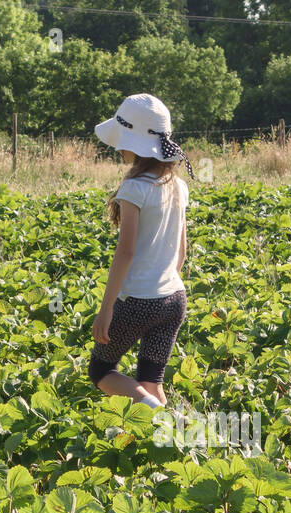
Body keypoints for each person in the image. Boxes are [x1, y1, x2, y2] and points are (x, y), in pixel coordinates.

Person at [89, 93, 196, 409]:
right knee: (151, 382)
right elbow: (182, 251)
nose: (117, 148)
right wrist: (162, 286)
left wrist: (106, 310)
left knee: (101, 371)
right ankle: (175, 428)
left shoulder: (134, 188)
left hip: (138, 301)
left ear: (134, 143)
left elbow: (126, 253)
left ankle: (158, 412)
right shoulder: (178, 186)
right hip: (174, 298)